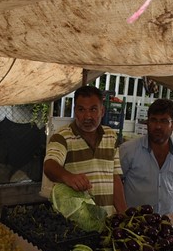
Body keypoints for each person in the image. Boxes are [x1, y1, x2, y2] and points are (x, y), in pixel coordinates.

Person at [43, 85, 126, 215]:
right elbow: (49, 165)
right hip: (77, 224)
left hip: (108, 220)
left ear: (102, 111)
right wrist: (68, 177)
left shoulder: (110, 135)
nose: (87, 116)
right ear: (75, 111)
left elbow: (115, 177)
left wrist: (123, 214)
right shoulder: (62, 136)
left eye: (93, 109)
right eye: (81, 110)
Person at [119, 98, 173, 214]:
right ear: (147, 122)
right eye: (153, 120)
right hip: (136, 223)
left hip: (168, 223)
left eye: (164, 121)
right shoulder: (128, 150)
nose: (157, 126)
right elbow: (116, 182)